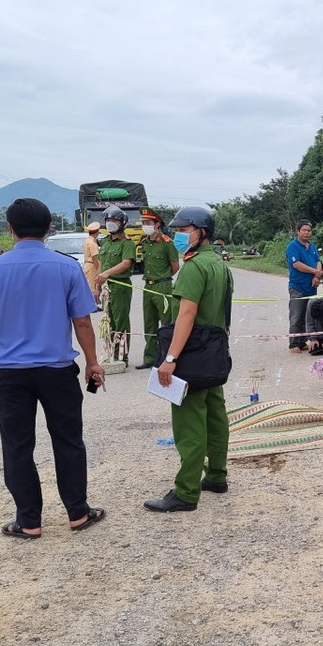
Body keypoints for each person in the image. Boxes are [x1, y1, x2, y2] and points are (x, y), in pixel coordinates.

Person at [0, 198, 106, 538]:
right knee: (69, 440)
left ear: (10, 229)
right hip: (57, 371)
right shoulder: (66, 267)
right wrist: (92, 362)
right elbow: (82, 322)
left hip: (10, 374)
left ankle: (28, 521)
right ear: (48, 229)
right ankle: (78, 513)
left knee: (17, 446)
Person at [146, 206, 233, 513]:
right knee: (215, 413)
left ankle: (186, 491)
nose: (178, 236)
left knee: (189, 420)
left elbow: (186, 313)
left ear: (202, 233)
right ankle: (217, 476)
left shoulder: (194, 268)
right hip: (213, 351)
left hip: (192, 351)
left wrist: (170, 358)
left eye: (183, 231)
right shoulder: (219, 264)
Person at [135, 210, 180, 370]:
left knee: (166, 322)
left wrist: (163, 277)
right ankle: (150, 358)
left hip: (163, 286)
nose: (144, 226)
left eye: (148, 223)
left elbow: (175, 266)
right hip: (148, 286)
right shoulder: (144, 242)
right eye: (143, 223)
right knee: (149, 323)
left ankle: (167, 357)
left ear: (157, 224)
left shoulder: (167, 243)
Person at [96, 207, 137, 364]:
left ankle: (121, 356)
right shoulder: (105, 242)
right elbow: (101, 264)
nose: (111, 223)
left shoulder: (127, 243)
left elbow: (126, 263)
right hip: (106, 286)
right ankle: (110, 352)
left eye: (115, 220)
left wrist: (108, 274)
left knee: (121, 321)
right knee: (108, 320)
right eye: (108, 220)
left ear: (122, 223)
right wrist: (97, 287)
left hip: (120, 285)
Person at [286, 219, 323, 353]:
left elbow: (318, 262)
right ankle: (294, 343)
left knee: (310, 315)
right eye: (304, 230)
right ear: (298, 231)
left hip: (312, 287)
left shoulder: (311, 246)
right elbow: (296, 265)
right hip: (298, 286)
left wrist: (317, 276)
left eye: (309, 230)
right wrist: (315, 272)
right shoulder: (293, 246)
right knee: (297, 315)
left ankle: (303, 341)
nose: (307, 233)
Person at [82, 222, 102, 301]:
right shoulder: (92, 243)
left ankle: (94, 302)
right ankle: (93, 303)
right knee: (92, 284)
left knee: (90, 283)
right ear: (97, 232)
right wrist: (98, 269)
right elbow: (95, 257)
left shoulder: (87, 240)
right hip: (92, 265)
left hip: (88, 264)